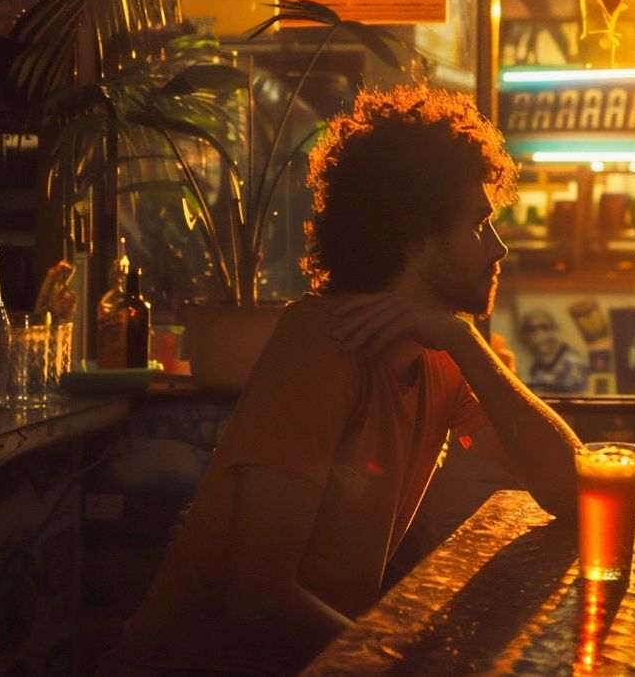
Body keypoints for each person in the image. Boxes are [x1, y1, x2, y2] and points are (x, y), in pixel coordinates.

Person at [101, 86, 582, 675]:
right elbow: (257, 605)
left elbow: (582, 497)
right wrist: (405, 665)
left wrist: (464, 341)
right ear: (416, 238)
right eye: (481, 224)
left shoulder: (440, 350)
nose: (499, 247)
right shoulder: (323, 344)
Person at [518, 308, 588, 393]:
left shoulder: (575, 364)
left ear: (554, 329)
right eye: (532, 330)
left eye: (544, 328)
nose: (539, 335)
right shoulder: (534, 370)